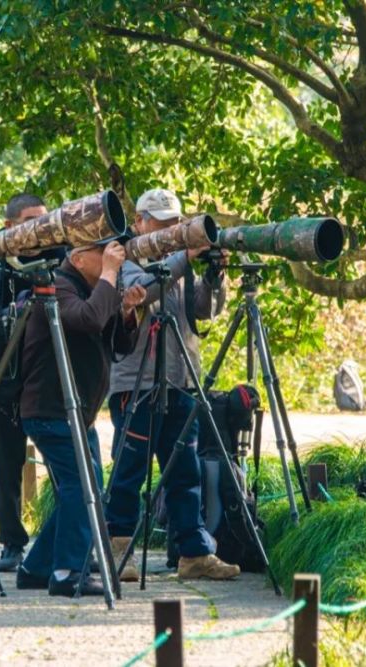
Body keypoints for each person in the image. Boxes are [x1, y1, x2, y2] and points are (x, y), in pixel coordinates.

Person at [105, 188, 240, 582]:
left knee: (185, 471)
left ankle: (194, 553)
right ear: (140, 223)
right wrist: (183, 258)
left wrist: (215, 274)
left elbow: (205, 310)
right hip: (138, 382)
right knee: (129, 471)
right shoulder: (125, 258)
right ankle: (118, 551)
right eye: (161, 223)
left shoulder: (177, 262)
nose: (169, 229)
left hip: (181, 378)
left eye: (174, 223)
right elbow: (145, 291)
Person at [15, 238, 147, 597]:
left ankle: (36, 567)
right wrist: (108, 274)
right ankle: (65, 573)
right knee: (80, 490)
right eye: (101, 252)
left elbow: (118, 345)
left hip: (78, 414)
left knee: (85, 491)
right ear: (77, 258)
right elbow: (87, 320)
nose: (111, 257)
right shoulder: (56, 287)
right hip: (53, 411)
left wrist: (126, 313)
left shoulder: (90, 287)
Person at [0, 193, 66, 573]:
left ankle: (63, 540)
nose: (42, 229)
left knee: (66, 468)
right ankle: (12, 542)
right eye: (33, 220)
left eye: (45, 220)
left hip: (48, 380)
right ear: (10, 226)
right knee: (4, 466)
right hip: (1, 379)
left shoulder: (62, 260)